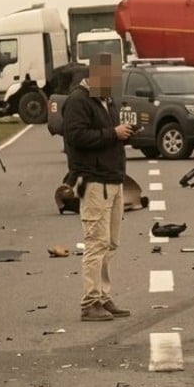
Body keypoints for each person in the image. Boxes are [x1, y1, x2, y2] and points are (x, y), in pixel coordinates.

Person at [62, 53, 134, 322]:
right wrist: (112, 134)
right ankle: (90, 302)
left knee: (110, 243)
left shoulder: (106, 100)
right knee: (96, 242)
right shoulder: (78, 101)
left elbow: (106, 134)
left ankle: (103, 297)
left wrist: (122, 133)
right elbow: (76, 137)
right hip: (92, 181)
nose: (114, 84)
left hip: (113, 178)